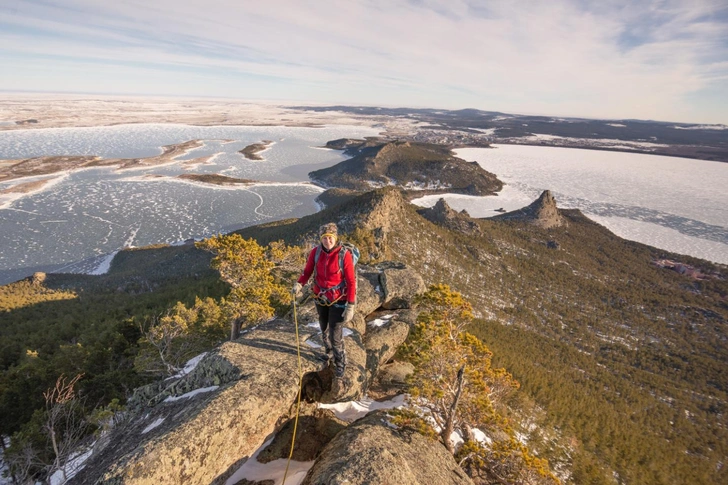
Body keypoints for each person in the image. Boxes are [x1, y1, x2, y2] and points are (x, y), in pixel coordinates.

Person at [293, 223, 356, 378]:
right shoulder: (316, 252)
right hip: (321, 297)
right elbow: (307, 271)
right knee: (324, 327)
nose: (328, 241)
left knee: (335, 333)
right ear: (321, 239)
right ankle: (328, 352)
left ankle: (340, 362)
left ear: (335, 238)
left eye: (330, 238)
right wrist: (299, 283)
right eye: (325, 238)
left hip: (339, 299)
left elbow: (351, 281)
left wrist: (351, 305)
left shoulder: (344, 255)